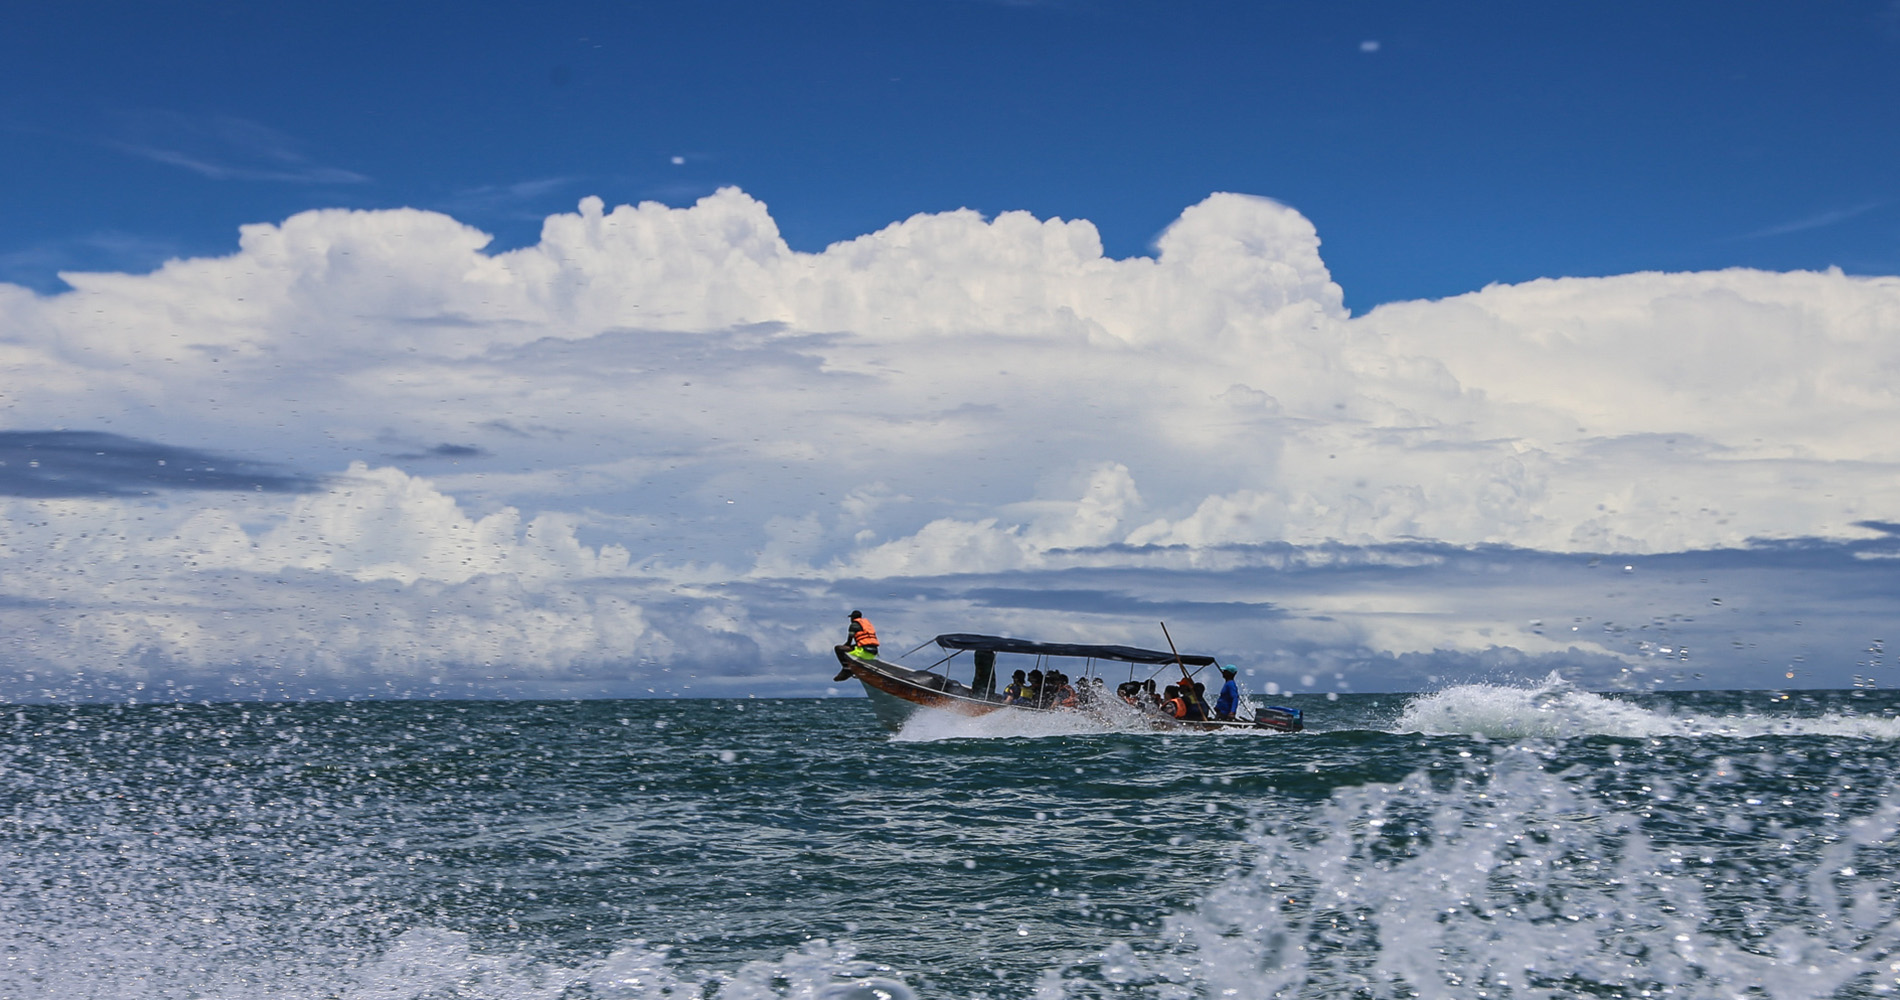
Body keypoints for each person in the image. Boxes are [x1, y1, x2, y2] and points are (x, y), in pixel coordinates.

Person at [832, 610, 879, 680]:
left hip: (863, 652)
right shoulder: (867, 625)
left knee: (838, 648)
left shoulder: (854, 625)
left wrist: (844, 648)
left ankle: (846, 669)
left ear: (853, 618)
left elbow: (848, 642)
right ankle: (853, 667)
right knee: (852, 647)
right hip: (874, 653)